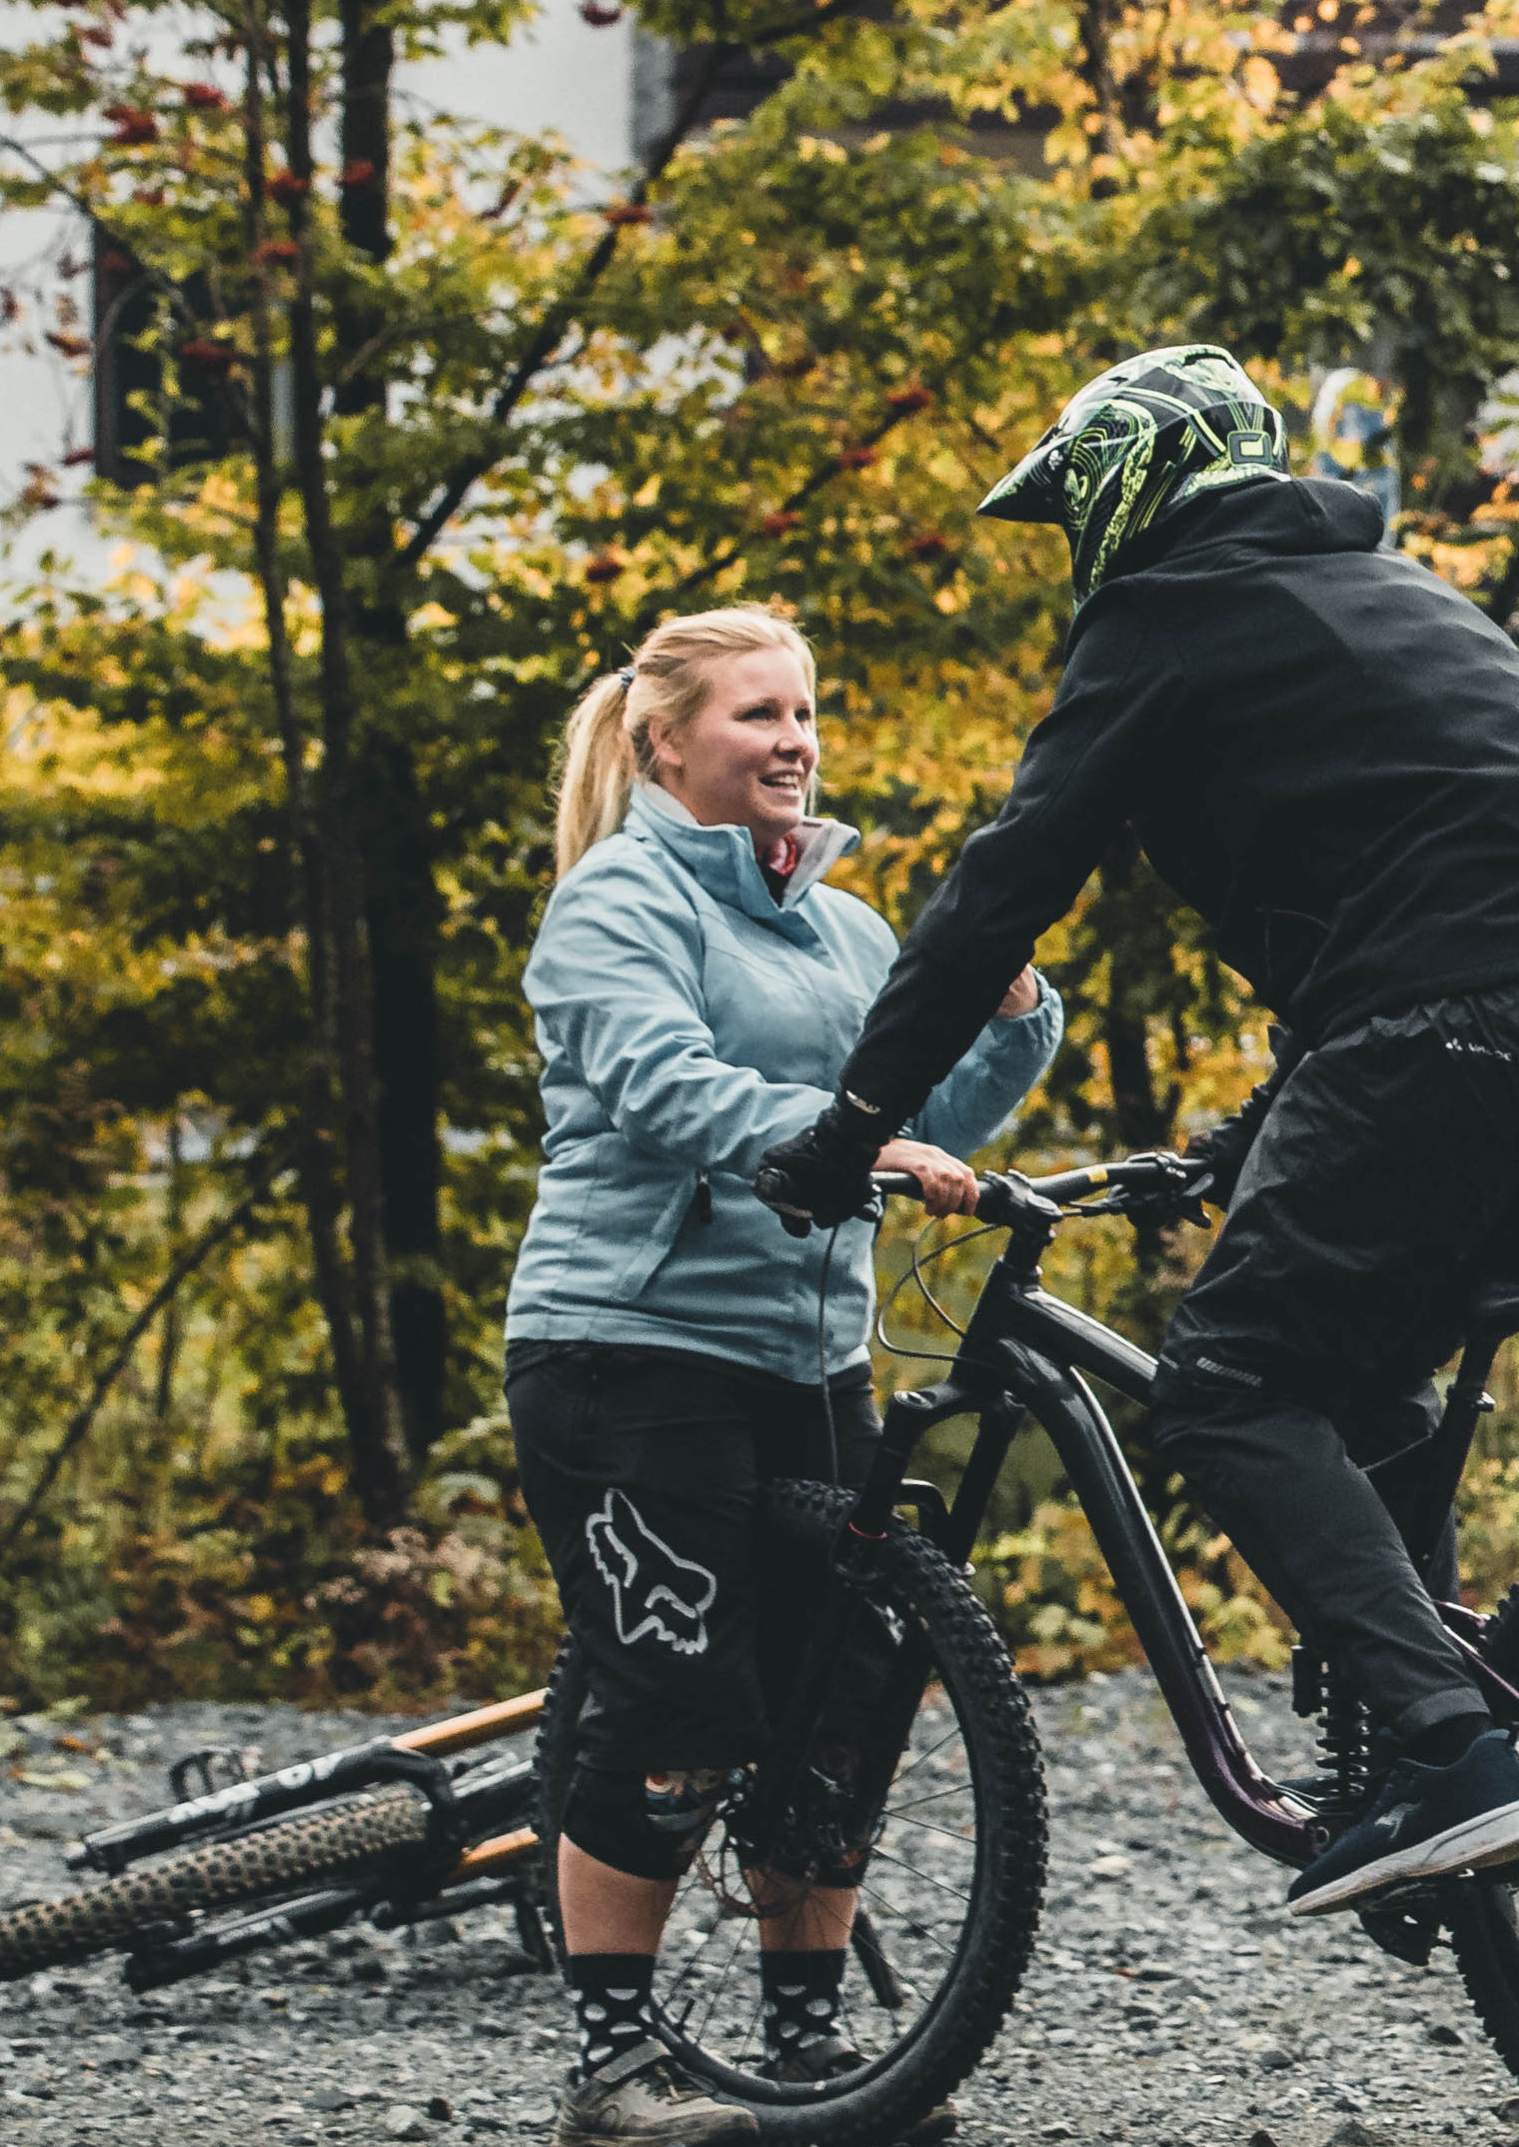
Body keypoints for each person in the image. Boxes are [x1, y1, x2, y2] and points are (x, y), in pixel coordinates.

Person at [749, 344, 1519, 1920]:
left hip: (1440, 1031)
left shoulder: (1168, 614)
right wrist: (1248, 1136)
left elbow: (996, 897)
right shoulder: (1402, 595)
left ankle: (1449, 1755)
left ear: (1130, 483)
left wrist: (851, 1127)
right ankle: (1411, 1754)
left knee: (1230, 1389)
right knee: (1364, 1369)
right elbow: (1412, 887)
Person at [509, 604, 1062, 2147]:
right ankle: (615, 2075)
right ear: (665, 739)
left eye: (806, 712)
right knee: (679, 1706)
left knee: (835, 1711)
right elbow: (667, 1084)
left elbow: (931, 1100)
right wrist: (847, 1142)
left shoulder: (849, 926)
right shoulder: (614, 907)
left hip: (810, 1360)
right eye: (757, 715)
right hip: (630, 1352)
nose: (795, 740)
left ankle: (818, 2065)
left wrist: (1008, 1014)